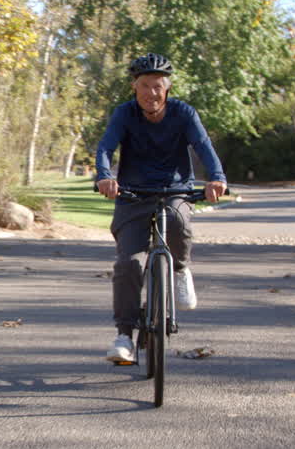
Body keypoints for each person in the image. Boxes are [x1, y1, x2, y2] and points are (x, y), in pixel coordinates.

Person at [95, 53, 227, 365]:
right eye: (144, 85)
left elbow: (204, 146)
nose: (150, 93)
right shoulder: (124, 114)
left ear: (167, 88)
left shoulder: (183, 113)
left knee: (180, 224)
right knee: (128, 265)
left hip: (174, 189)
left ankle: (180, 269)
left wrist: (217, 179)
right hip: (132, 194)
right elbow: (105, 147)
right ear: (134, 86)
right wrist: (104, 176)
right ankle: (124, 336)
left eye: (157, 86)